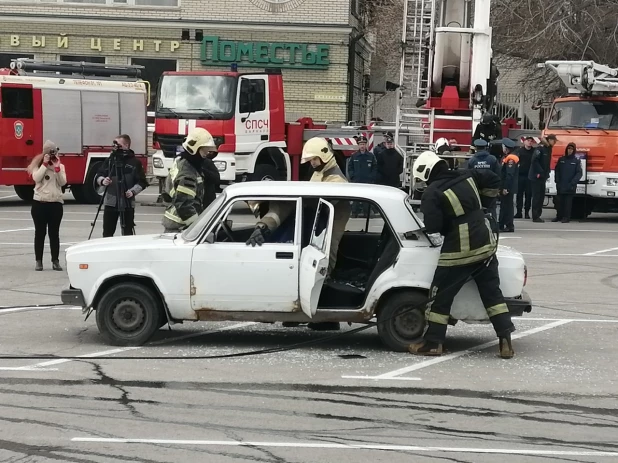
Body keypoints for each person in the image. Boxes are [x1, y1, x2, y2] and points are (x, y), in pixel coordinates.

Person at [408, 151, 516, 359]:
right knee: (492, 294)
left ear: (427, 172)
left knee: (439, 296)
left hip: (459, 249)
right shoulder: (467, 174)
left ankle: (433, 343)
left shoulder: (433, 192)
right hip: (485, 243)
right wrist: (484, 205)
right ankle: (505, 341)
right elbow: (493, 179)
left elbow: (433, 227)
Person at [162, 128, 218, 232]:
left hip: (176, 222)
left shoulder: (182, 161)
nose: (206, 154)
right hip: (181, 226)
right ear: (194, 149)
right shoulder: (188, 173)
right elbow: (184, 205)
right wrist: (197, 228)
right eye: (204, 150)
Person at [95, 134, 148, 237]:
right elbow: (98, 175)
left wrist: (133, 191)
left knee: (127, 232)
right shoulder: (110, 161)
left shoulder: (134, 162)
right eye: (114, 145)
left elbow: (142, 182)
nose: (115, 147)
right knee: (107, 232)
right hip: (111, 202)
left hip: (127, 202)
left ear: (126, 145)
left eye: (118, 145)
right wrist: (103, 181)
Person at [27, 141, 67, 272]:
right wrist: (44, 164)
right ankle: (38, 261)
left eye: (54, 152)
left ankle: (55, 261)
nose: (52, 155)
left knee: (54, 233)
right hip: (40, 203)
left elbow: (63, 182)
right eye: (50, 153)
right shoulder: (37, 166)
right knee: (40, 233)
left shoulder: (60, 166)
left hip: (55, 203)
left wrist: (56, 167)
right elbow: (36, 178)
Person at [468, 138, 500, 220]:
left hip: (477, 188)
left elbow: (468, 175)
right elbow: (498, 174)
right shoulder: (492, 159)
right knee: (492, 208)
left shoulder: (472, 160)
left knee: (478, 208)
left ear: (476, 148)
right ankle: (493, 226)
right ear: (486, 147)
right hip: (491, 189)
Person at [528, 134, 558, 223]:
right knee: (537, 196)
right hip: (536, 176)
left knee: (541, 196)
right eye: (554, 141)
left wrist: (547, 173)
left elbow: (547, 163)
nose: (555, 143)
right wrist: (540, 172)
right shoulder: (540, 148)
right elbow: (534, 161)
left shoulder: (548, 149)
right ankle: (535, 216)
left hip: (543, 177)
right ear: (549, 140)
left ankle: (538, 214)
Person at [348, 136, 377, 217]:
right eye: (360, 144)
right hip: (357, 181)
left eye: (363, 144)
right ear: (358, 145)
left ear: (366, 145)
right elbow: (350, 167)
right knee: (356, 199)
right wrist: (352, 176)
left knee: (366, 199)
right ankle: (354, 213)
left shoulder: (371, 156)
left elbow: (375, 168)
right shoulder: (354, 156)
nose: (362, 146)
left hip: (367, 182)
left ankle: (366, 214)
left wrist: (372, 178)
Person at [553, 142, 582, 223]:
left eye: (571, 149)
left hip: (570, 186)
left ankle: (566, 217)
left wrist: (573, 183)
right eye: (569, 149)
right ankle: (558, 216)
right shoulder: (561, 159)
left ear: (574, 150)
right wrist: (557, 181)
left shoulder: (576, 161)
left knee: (567, 203)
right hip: (561, 185)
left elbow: (579, 173)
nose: (570, 151)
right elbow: (557, 170)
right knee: (559, 202)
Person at [498, 138, 519, 233]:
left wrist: (505, 188)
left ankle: (509, 225)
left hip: (508, 187)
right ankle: (502, 224)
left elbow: (509, 175)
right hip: (506, 186)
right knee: (505, 206)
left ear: (506, 148)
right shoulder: (508, 157)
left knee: (507, 206)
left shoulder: (511, 158)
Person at [515, 136, 535, 219]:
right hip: (520, 175)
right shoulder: (519, 151)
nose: (529, 142)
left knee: (528, 195)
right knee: (519, 195)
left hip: (530, 176)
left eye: (531, 141)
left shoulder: (534, 152)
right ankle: (519, 212)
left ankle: (527, 212)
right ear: (524, 142)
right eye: (528, 140)